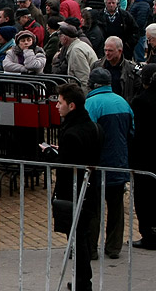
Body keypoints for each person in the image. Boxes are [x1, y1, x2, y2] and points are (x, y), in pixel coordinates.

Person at [46, 83, 101, 291]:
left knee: (78, 241)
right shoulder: (92, 126)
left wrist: (53, 155)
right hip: (89, 191)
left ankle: (83, 283)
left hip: (74, 194)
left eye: (60, 103)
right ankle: (82, 281)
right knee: (82, 239)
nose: (56, 106)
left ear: (72, 106)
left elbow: (67, 165)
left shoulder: (71, 133)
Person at [84, 68, 134, 259]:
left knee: (93, 207)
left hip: (98, 165)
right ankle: (114, 248)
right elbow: (131, 132)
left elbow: (88, 135)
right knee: (116, 207)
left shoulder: (90, 104)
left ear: (92, 84)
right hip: (119, 163)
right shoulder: (123, 103)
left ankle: (90, 248)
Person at [130, 64, 156, 249]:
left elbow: (137, 133)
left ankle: (149, 235)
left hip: (145, 157)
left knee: (144, 198)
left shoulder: (141, 101)